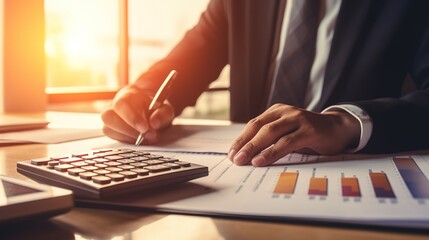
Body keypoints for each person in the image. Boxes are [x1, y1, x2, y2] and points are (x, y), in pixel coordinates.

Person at [101, 0, 429, 167]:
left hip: (351, 181)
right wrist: (141, 93)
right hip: (242, 179)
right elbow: (185, 63)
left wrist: (345, 123)